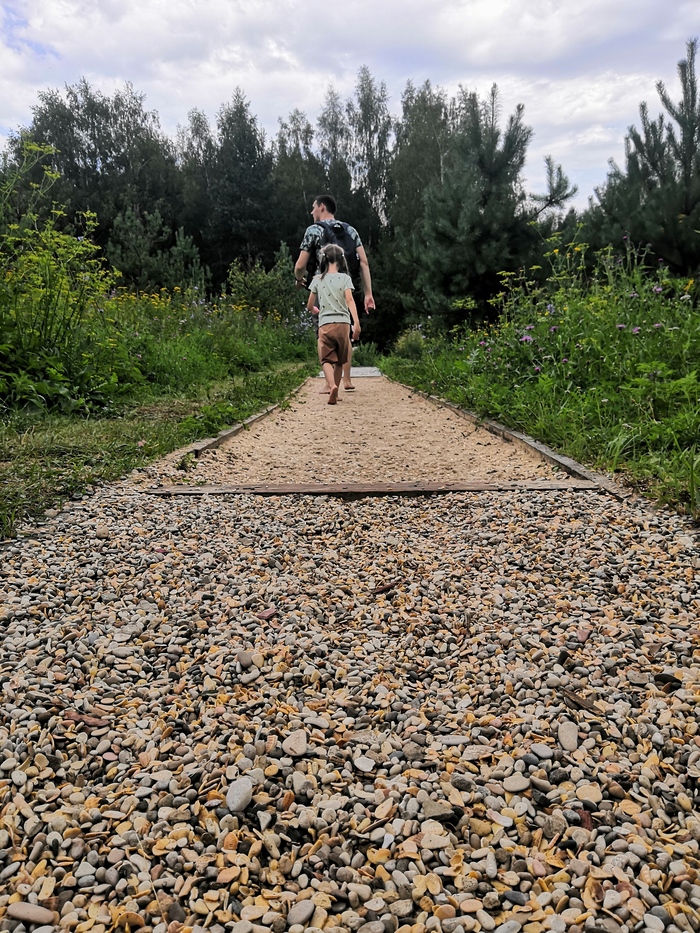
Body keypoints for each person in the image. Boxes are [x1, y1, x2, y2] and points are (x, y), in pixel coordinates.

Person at [295, 194, 375, 391]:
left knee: (323, 334)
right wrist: (368, 294)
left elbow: (300, 265)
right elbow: (364, 262)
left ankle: (329, 383)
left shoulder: (313, 230)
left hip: (323, 288)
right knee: (344, 332)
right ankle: (346, 380)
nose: (311, 211)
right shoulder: (350, 230)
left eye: (313, 207)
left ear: (322, 207)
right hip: (345, 285)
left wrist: (299, 279)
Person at [307, 244, 361, 405]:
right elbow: (350, 300)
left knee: (325, 359)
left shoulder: (317, 280)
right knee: (339, 360)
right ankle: (336, 393)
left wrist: (314, 309)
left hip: (326, 324)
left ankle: (332, 386)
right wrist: (356, 322)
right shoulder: (345, 279)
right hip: (343, 324)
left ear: (324, 259)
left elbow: (310, 304)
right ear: (341, 260)